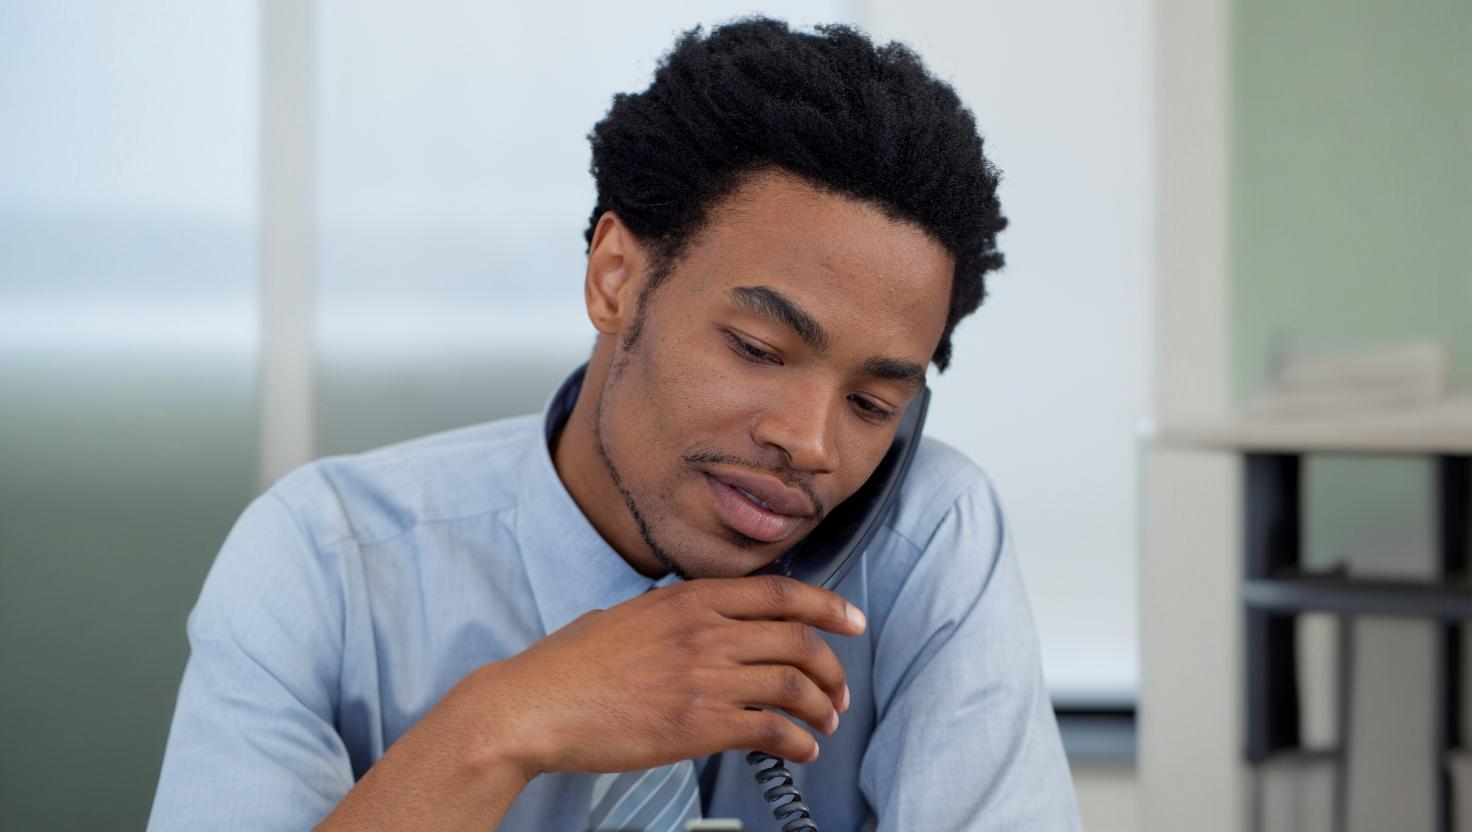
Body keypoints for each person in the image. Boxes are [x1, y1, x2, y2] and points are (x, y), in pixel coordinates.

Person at [148, 17, 1080, 832]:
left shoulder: (926, 544)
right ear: (615, 278)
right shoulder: (325, 559)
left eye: (873, 404)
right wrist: (501, 724)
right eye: (758, 348)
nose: (811, 443)